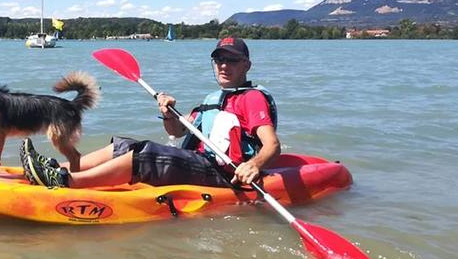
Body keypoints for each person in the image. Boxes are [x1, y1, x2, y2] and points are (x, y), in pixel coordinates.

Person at [20, 37, 281, 190]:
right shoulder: (214, 100)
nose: (224, 65)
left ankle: (66, 181)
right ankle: (54, 167)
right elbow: (177, 132)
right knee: (125, 145)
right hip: (198, 162)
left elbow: (272, 145)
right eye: (219, 60)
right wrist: (168, 113)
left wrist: (254, 165)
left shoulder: (252, 98)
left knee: (147, 154)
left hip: (224, 174)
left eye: (232, 60)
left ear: (246, 65)